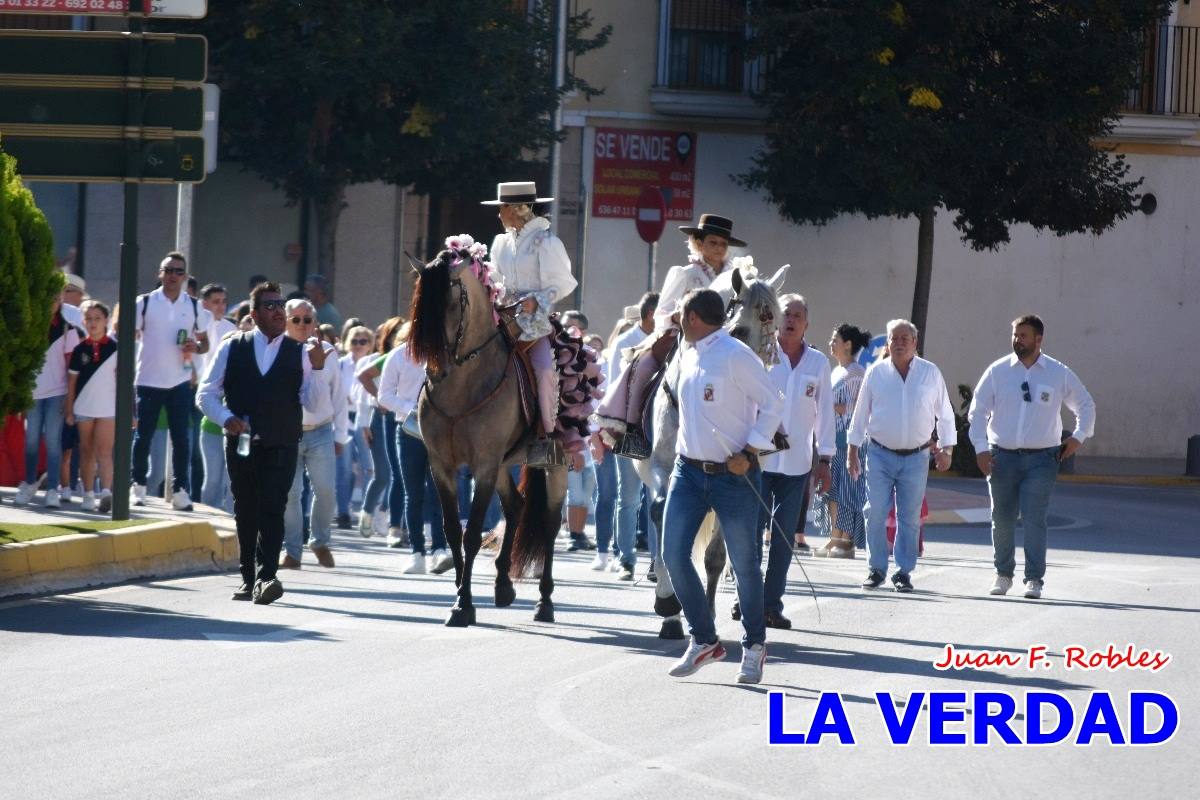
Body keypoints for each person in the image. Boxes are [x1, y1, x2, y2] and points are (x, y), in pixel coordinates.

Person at [663, 289, 783, 684]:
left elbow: (773, 404)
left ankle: (754, 646)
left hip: (734, 476)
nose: (678, 317)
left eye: (681, 313)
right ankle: (705, 640)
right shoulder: (687, 350)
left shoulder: (735, 354)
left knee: (745, 565)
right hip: (687, 472)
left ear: (693, 316)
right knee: (672, 555)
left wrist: (749, 452)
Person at [197, 281, 329, 604]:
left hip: (283, 443)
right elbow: (205, 393)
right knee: (246, 509)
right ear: (254, 314)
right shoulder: (233, 347)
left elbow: (312, 402)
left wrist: (319, 366)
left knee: (274, 507)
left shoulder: (300, 353)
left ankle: (267, 576)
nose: (279, 311)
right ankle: (247, 578)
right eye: (270, 306)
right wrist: (226, 418)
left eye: (281, 305)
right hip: (241, 443)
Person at [968, 314, 1096, 600]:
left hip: (1042, 460)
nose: (1017, 340)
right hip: (1002, 457)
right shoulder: (998, 371)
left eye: (1023, 335)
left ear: (1039, 339)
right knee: (1001, 518)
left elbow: (1085, 405)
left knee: (1035, 518)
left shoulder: (1057, 372)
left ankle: (1034, 579)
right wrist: (980, 448)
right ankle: (1003, 574)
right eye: (1015, 335)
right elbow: (977, 412)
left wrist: (1078, 437)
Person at [597, 215, 745, 447]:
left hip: (726, 342)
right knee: (643, 366)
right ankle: (633, 431)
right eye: (712, 242)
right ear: (699, 243)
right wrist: (678, 316)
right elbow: (661, 313)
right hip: (683, 338)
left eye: (723, 244)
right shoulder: (684, 273)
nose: (718, 248)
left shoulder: (737, 277)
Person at [847, 319, 956, 593]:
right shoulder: (876, 373)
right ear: (887, 343)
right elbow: (860, 414)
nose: (899, 342)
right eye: (894, 338)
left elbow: (944, 414)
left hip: (917, 457)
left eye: (905, 338)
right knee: (875, 511)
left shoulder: (930, 373)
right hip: (880, 454)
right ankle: (876, 568)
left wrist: (947, 449)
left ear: (915, 343)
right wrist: (852, 451)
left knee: (909, 516)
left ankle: (903, 572)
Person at [483, 181, 577, 465]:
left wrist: (536, 300)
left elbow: (563, 284)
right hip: (501, 318)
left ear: (515, 209)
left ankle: (544, 438)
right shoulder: (500, 242)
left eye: (502, 208)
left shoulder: (547, 242)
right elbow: (496, 277)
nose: (499, 213)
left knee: (545, 371)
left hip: (533, 323)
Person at [757, 294, 836, 628]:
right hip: (757, 462)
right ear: (775, 318)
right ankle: (745, 599)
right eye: (785, 313)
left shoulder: (818, 363)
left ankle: (771, 605)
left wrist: (825, 460)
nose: (790, 319)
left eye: (798, 315)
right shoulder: (759, 354)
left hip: (797, 464)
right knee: (748, 534)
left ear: (807, 323)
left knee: (784, 538)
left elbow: (826, 414)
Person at [131, 252, 212, 510]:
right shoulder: (144, 303)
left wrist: (195, 346)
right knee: (143, 436)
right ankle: (138, 486)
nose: (173, 276)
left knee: (181, 439)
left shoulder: (194, 307)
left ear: (185, 277)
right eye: (168, 270)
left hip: (179, 380)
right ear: (160, 273)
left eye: (178, 271)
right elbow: (127, 335)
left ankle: (180, 491)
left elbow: (205, 343)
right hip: (148, 379)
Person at [279, 300, 349, 569]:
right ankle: (292, 551)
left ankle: (319, 541)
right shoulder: (279, 350)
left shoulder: (329, 351)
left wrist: (341, 435)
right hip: (288, 432)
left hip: (321, 431)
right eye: (295, 319)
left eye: (307, 320)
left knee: (326, 491)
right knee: (291, 494)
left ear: (315, 322)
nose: (301, 325)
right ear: (285, 321)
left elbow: (339, 396)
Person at [377, 323, 452, 574]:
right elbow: (384, 396)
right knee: (413, 493)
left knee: (439, 491)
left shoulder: (445, 354)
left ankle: (440, 549)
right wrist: (411, 408)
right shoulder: (398, 356)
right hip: (408, 431)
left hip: (440, 432)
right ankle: (417, 552)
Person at [600, 292, 658, 576]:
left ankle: (658, 561)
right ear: (650, 316)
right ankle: (625, 558)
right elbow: (613, 388)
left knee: (657, 496)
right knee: (630, 497)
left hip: (659, 432)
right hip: (631, 430)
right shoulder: (625, 343)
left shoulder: (669, 343)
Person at [15, 294, 84, 507]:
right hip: (33, 394)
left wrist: (69, 400)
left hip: (57, 393)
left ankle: (52, 489)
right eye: (48, 297)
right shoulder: (30, 326)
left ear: (60, 301)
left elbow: (72, 369)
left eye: (55, 298)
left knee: (54, 442)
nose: (51, 302)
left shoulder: (68, 329)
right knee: (31, 441)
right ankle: (29, 483)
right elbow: (23, 363)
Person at [814, 324, 872, 557]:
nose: (831, 343)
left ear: (848, 344)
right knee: (832, 491)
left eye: (835, 338)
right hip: (832, 441)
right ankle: (835, 537)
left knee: (848, 492)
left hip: (849, 442)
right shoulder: (836, 371)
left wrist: (838, 407)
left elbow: (863, 407)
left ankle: (846, 542)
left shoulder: (856, 373)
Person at [357, 317, 407, 545]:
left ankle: (398, 523)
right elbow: (361, 390)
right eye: (398, 331)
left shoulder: (415, 356)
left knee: (406, 475)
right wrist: (368, 419)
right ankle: (372, 515)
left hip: (409, 416)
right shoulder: (387, 358)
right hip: (383, 416)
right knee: (386, 474)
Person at [65, 300, 118, 513]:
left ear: (106, 320)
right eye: (89, 319)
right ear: (83, 321)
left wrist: (131, 411)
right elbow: (71, 383)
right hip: (83, 407)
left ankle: (106, 492)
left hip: (108, 408)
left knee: (104, 451)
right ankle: (88, 493)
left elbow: (127, 382)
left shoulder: (117, 348)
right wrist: (69, 409)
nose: (93, 323)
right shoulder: (79, 350)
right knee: (86, 451)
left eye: (98, 319)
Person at [195, 284, 238, 511]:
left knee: (229, 480)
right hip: (201, 398)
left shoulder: (232, 329)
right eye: (215, 301)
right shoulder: (196, 325)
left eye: (223, 301)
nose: (220, 306)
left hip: (226, 407)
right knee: (210, 476)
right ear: (204, 304)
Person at [335, 325, 375, 530]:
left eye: (363, 341)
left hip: (364, 419)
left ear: (370, 344)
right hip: (343, 418)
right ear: (346, 343)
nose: (358, 345)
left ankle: (368, 512)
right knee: (343, 469)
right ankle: (343, 512)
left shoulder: (373, 363)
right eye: (354, 341)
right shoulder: (340, 364)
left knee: (370, 468)